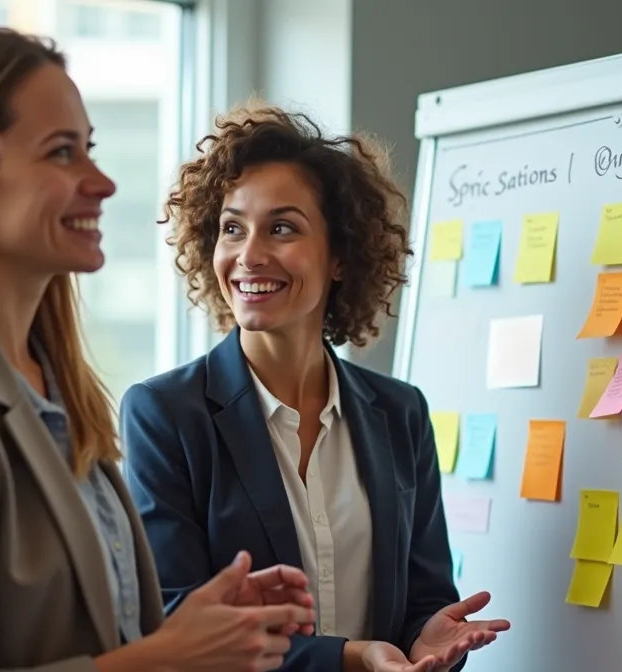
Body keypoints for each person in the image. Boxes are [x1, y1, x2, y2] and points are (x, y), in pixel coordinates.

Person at [0, 28, 316, 672]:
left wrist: (190, 629)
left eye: (90, 150)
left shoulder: (60, 389)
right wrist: (165, 656)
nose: (102, 183)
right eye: (61, 153)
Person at [121, 105, 510, 672]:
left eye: (282, 228)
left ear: (340, 257)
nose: (249, 255)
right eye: (232, 228)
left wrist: (425, 643)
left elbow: (422, 605)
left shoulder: (400, 413)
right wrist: (350, 659)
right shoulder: (165, 414)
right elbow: (176, 624)